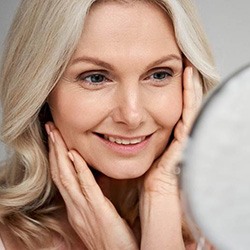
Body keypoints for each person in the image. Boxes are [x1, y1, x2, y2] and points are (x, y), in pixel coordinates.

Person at [0, 0, 219, 249]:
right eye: (96, 78)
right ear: (41, 88)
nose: (132, 115)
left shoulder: (232, 225)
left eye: (159, 74)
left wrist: (161, 201)